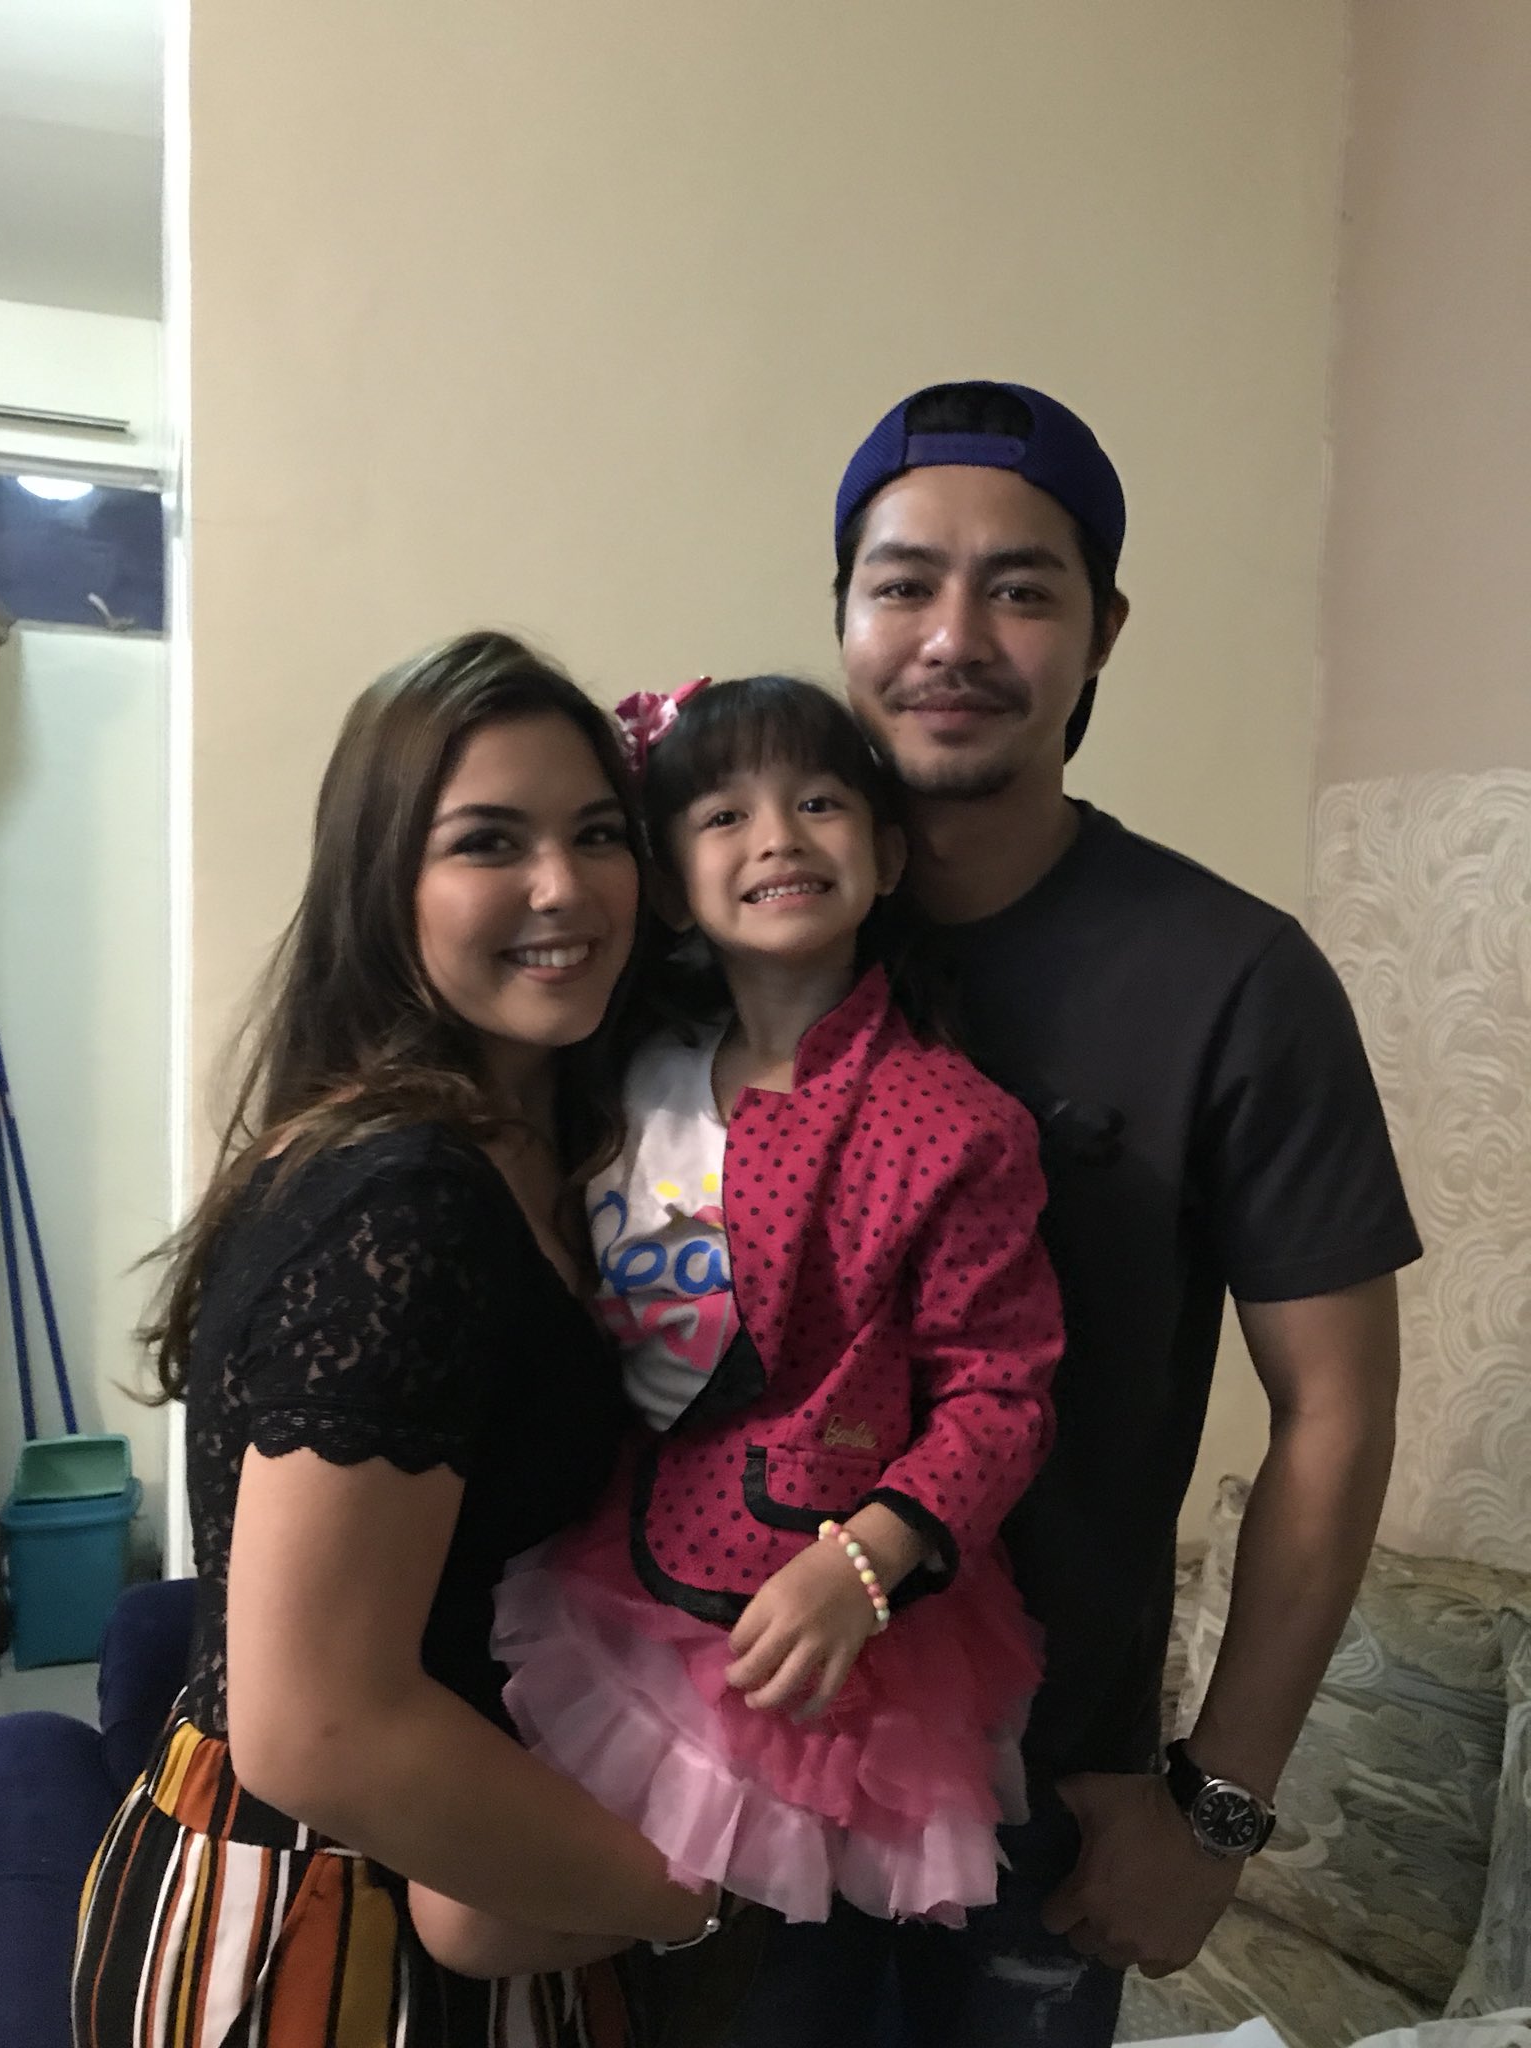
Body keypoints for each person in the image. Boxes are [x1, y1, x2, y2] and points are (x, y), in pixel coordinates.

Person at [723, 381, 1422, 2048]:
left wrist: (1218, 1812)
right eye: (903, 584)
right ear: (843, 616)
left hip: (1041, 1816)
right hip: (717, 1752)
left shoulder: (1233, 980)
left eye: (1021, 589)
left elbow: (1336, 1411)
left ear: (1102, 631)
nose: (953, 637)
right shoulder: (737, 941)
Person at [71, 630, 722, 2048]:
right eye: (489, 842)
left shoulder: (557, 1149)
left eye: (598, 834)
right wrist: (695, 1899)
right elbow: (320, 1727)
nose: (563, 886)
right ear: (385, 885)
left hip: (467, 1864)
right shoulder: (408, 1200)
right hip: (318, 1920)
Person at [415, 673, 1061, 1966]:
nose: (776, 837)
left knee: (707, 1954)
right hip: (618, 1558)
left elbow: (1001, 1392)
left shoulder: (957, 1125)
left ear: (887, 856)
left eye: (819, 802)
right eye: (724, 814)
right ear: (666, 883)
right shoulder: (615, 1076)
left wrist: (864, 1563)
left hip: (823, 1604)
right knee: (488, 1913)